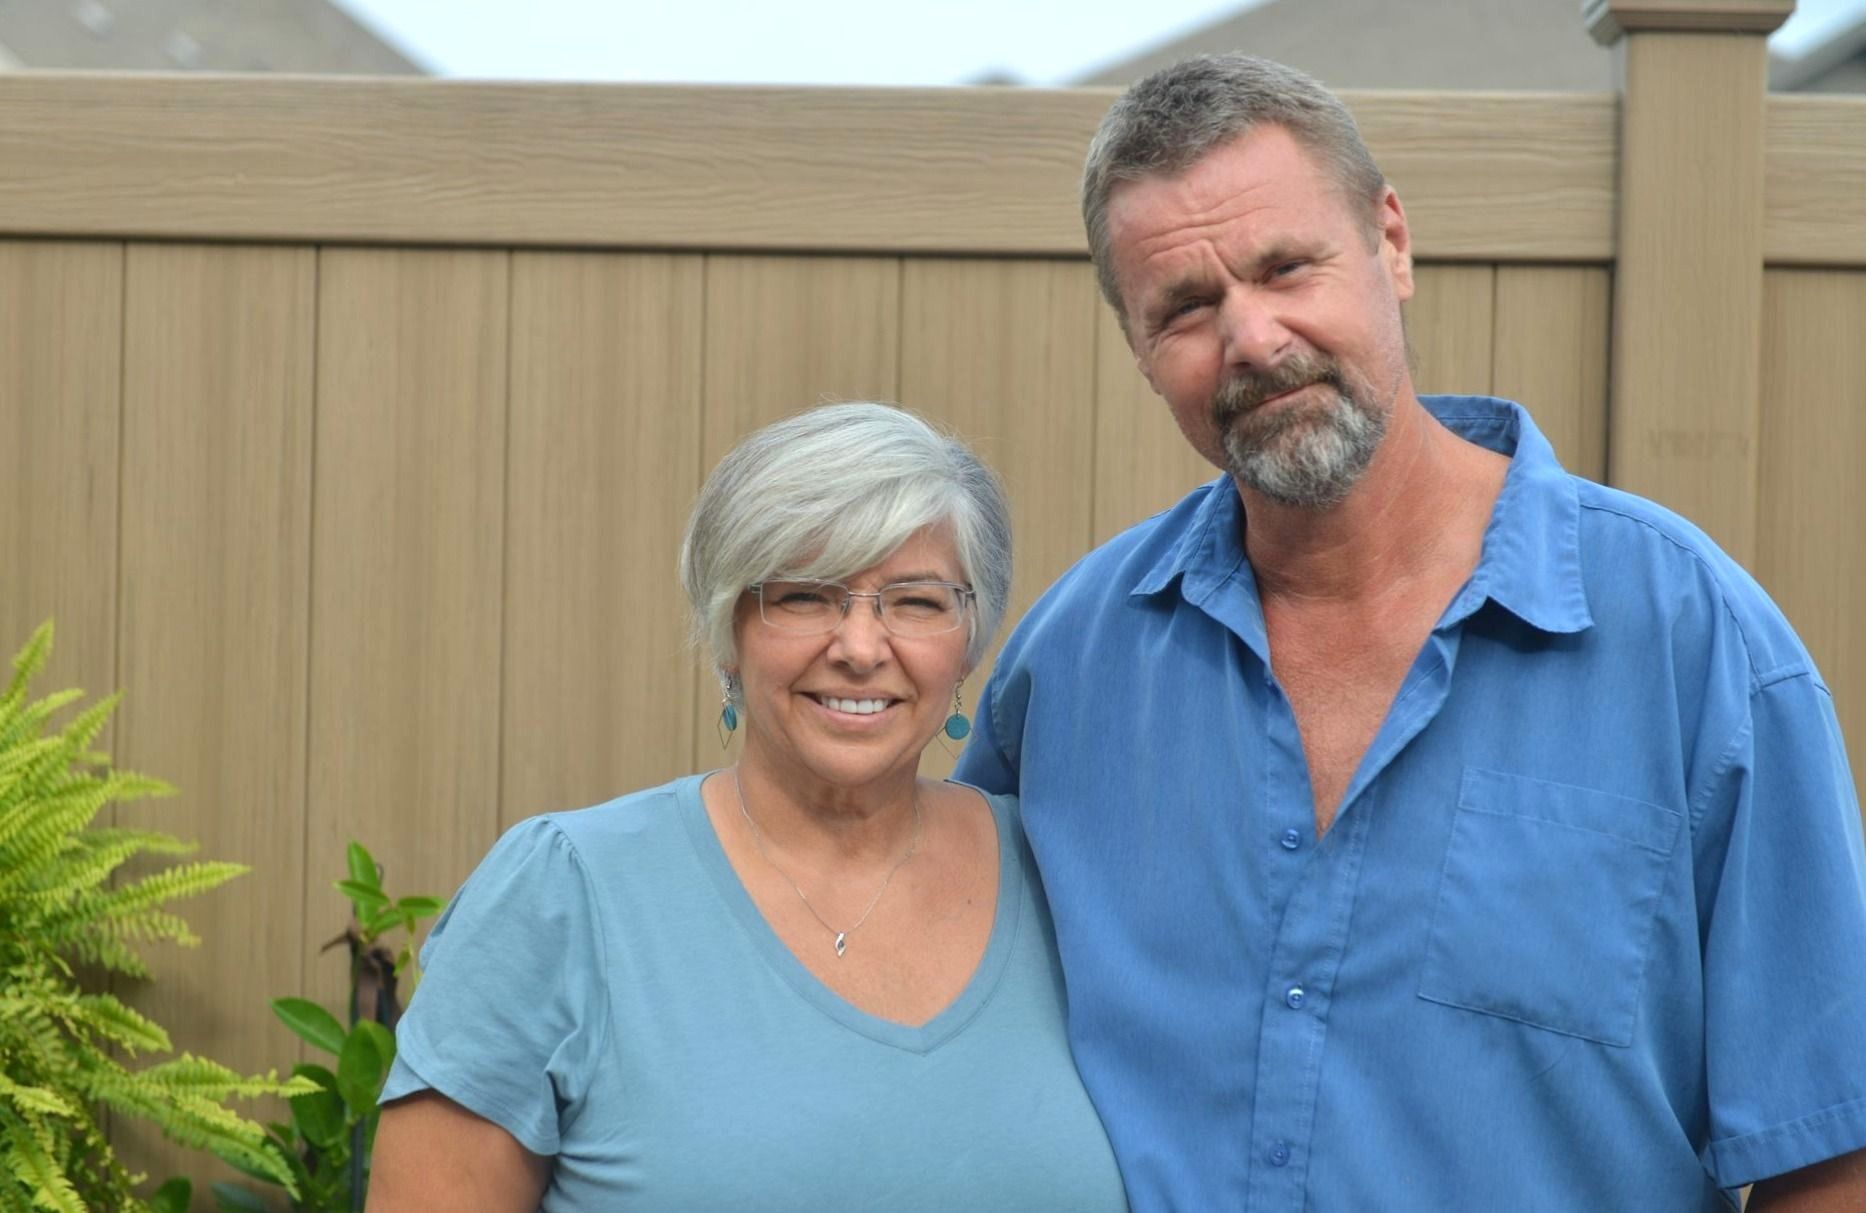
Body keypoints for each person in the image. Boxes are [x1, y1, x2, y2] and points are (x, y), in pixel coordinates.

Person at [954, 53, 1866, 1211]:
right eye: (1185, 308)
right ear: (1139, 348)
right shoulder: (1070, 670)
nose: (1253, 337)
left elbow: (1828, 1154)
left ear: (1391, 242)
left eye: (1287, 267)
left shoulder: (1697, 647)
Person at [367, 403, 1128, 1212]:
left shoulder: (1064, 873)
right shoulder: (564, 894)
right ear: (728, 631)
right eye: (803, 597)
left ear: (969, 641)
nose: (860, 648)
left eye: (915, 601)